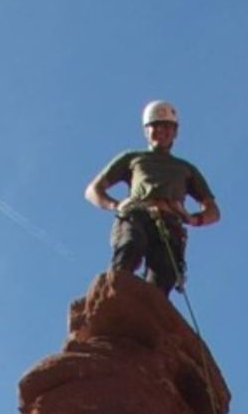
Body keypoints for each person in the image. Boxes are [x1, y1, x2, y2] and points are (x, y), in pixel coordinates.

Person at [84, 100, 221, 295]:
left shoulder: (185, 169)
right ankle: (112, 298)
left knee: (163, 275)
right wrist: (116, 204)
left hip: (170, 222)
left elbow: (213, 211)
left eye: (166, 127)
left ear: (175, 132)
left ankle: (142, 316)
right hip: (137, 213)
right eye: (155, 126)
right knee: (131, 245)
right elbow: (93, 190)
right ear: (146, 130)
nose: (161, 131)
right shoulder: (133, 158)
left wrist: (192, 218)